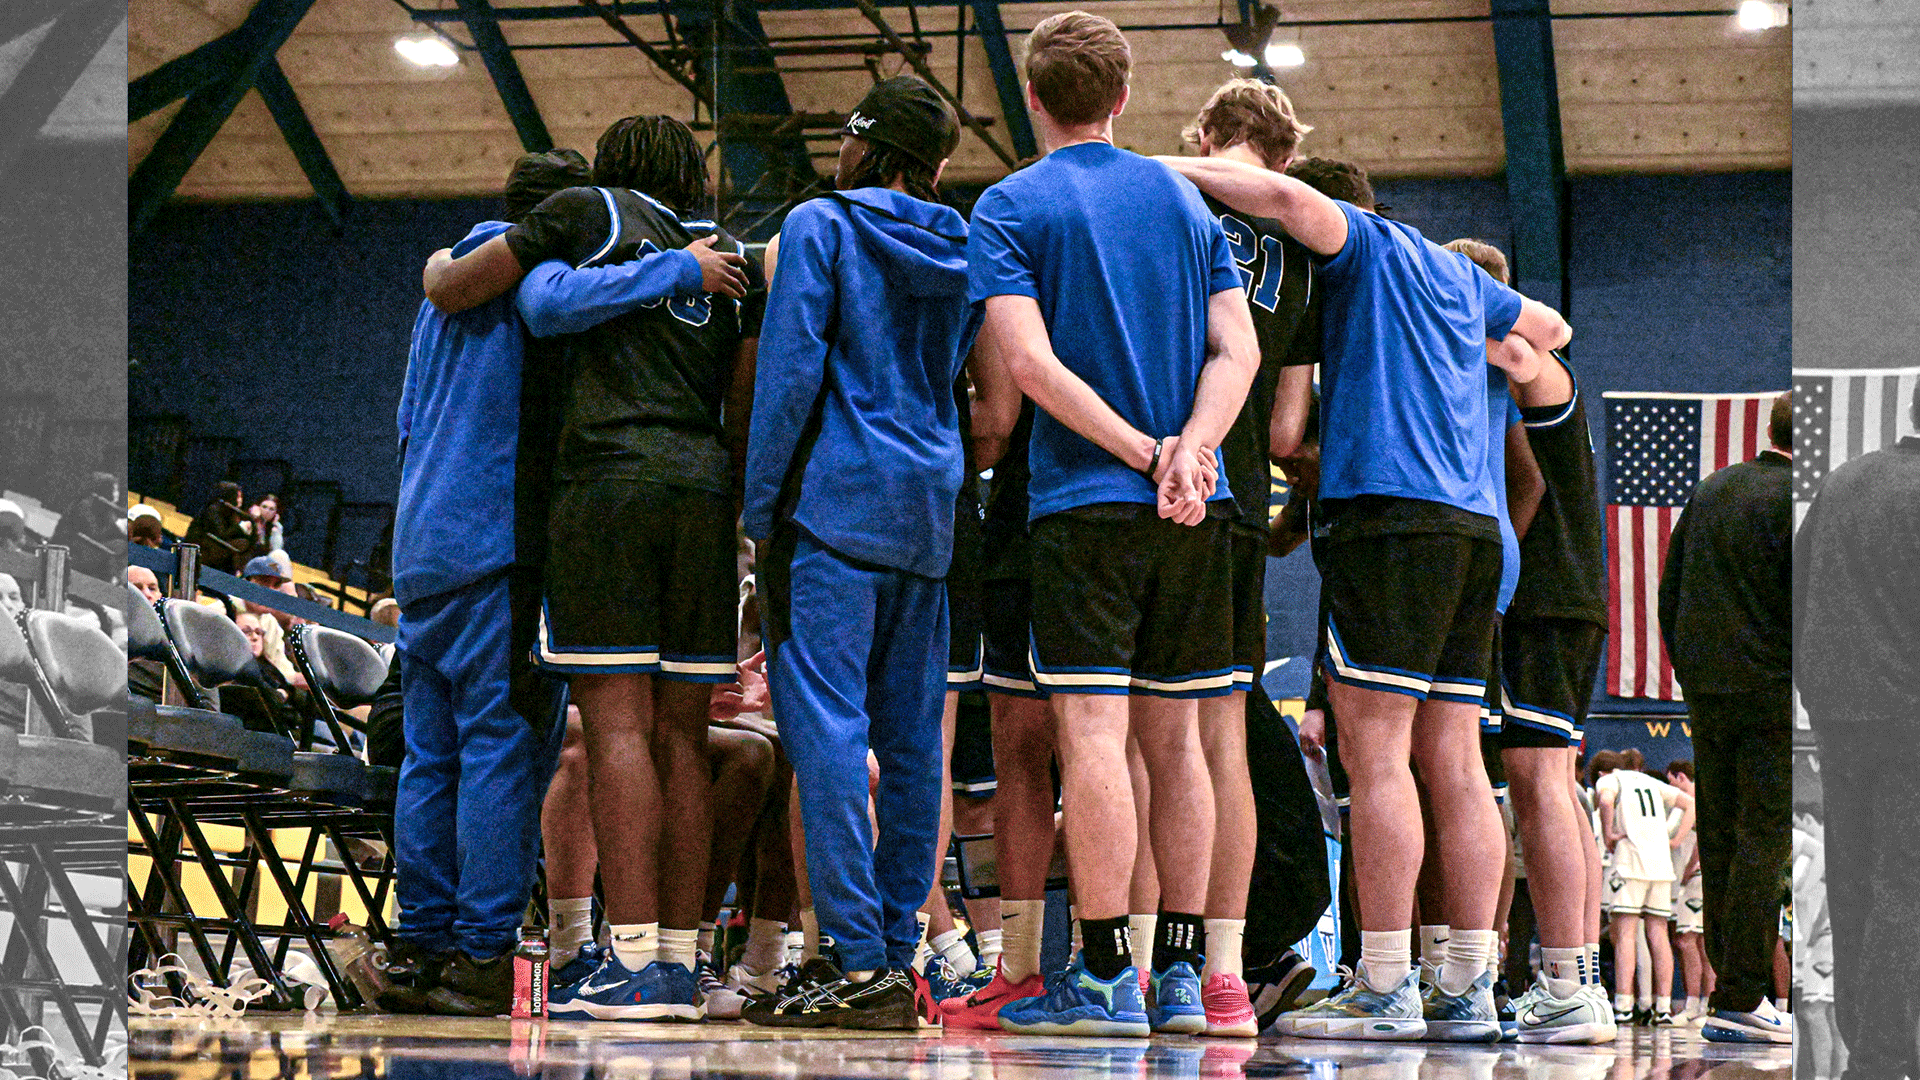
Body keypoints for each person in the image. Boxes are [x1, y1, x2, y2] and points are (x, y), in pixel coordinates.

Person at [1155, 140, 1568, 1040]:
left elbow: (1271, 191)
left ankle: (1383, 983)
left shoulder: (1365, 245)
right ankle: (1467, 985)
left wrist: (1152, 166)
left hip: (1392, 520)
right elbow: (1550, 330)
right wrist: (1500, 360)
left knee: (1378, 760)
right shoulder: (1457, 276)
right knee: (1457, 766)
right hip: (1474, 534)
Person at [388, 144, 747, 1019]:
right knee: (504, 752)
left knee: (428, 759)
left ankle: (416, 947)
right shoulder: (528, 281)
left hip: (419, 543)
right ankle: (480, 957)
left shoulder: (447, 286)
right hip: (498, 545)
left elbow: (406, 419)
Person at [970, 11, 1261, 1039]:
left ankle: (1104, 977)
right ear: (1125, 99)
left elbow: (1032, 369)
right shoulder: (1184, 203)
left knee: (1092, 738)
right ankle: (1182, 979)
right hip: (1198, 506)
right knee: (1178, 743)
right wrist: (1193, 449)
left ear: (1036, 99)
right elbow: (1239, 352)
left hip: (1088, 506)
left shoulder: (1008, 205)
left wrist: (1143, 454)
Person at [741, 75, 974, 1030]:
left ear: (865, 145)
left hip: (830, 507)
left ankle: (854, 958)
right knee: (915, 744)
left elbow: (792, 370)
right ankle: (899, 948)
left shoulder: (819, 226)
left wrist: (760, 507)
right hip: (928, 510)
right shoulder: (963, 243)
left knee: (828, 734)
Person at [1160, 76, 1320, 1038]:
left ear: (1211, 133)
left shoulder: (1171, 203)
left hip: (1165, 474)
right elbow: (1294, 422)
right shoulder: (1302, 245)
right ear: (1286, 154)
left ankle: (1145, 961)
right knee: (1226, 728)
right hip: (1243, 502)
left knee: (1148, 735)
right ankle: (1233, 969)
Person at [1441, 241, 1616, 1043]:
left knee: (1538, 779)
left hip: (1544, 596)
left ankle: (1566, 980)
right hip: (1570, 596)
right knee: (1556, 782)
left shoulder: (1534, 367)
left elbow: (1530, 474)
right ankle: (1575, 982)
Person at [1659, 390, 1793, 1045]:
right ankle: (1742, 993)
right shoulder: (1802, 502)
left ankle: (1726, 987)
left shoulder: (1711, 491)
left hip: (1708, 690)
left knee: (1718, 837)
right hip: (1774, 691)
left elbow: (1669, 590)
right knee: (1763, 839)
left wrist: (1690, 671)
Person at [1795, 380, 1920, 1075]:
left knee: (1852, 877)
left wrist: (1816, 688)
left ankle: (1863, 1031)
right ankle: (1887, 1050)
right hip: (1910, 717)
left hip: (1840, 717)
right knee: (1906, 880)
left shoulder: (1843, 483)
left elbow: (1800, 584)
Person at [1594, 748, 1692, 1026]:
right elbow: (1690, 805)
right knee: (1659, 934)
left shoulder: (1610, 780)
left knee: (1625, 934)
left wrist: (1609, 833)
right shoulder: (1652, 782)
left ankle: (1624, 1005)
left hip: (1630, 861)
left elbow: (1605, 801)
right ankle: (1662, 1007)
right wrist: (1674, 840)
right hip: (1661, 864)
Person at [1665, 760, 1713, 1024]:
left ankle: (1693, 1005)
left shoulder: (1693, 801)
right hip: (1698, 879)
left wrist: (1688, 870)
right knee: (1702, 942)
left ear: (1680, 777)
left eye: (1671, 781)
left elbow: (1701, 843)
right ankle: (1705, 1004)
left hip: (1693, 878)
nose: (1671, 787)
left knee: (1687, 939)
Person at [183, 481, 251, 574]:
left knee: (244, 545)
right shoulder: (213, 509)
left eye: (241, 497)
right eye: (237, 496)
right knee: (240, 544)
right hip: (202, 548)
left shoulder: (231, 512)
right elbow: (221, 534)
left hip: (216, 548)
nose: (240, 500)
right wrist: (240, 527)